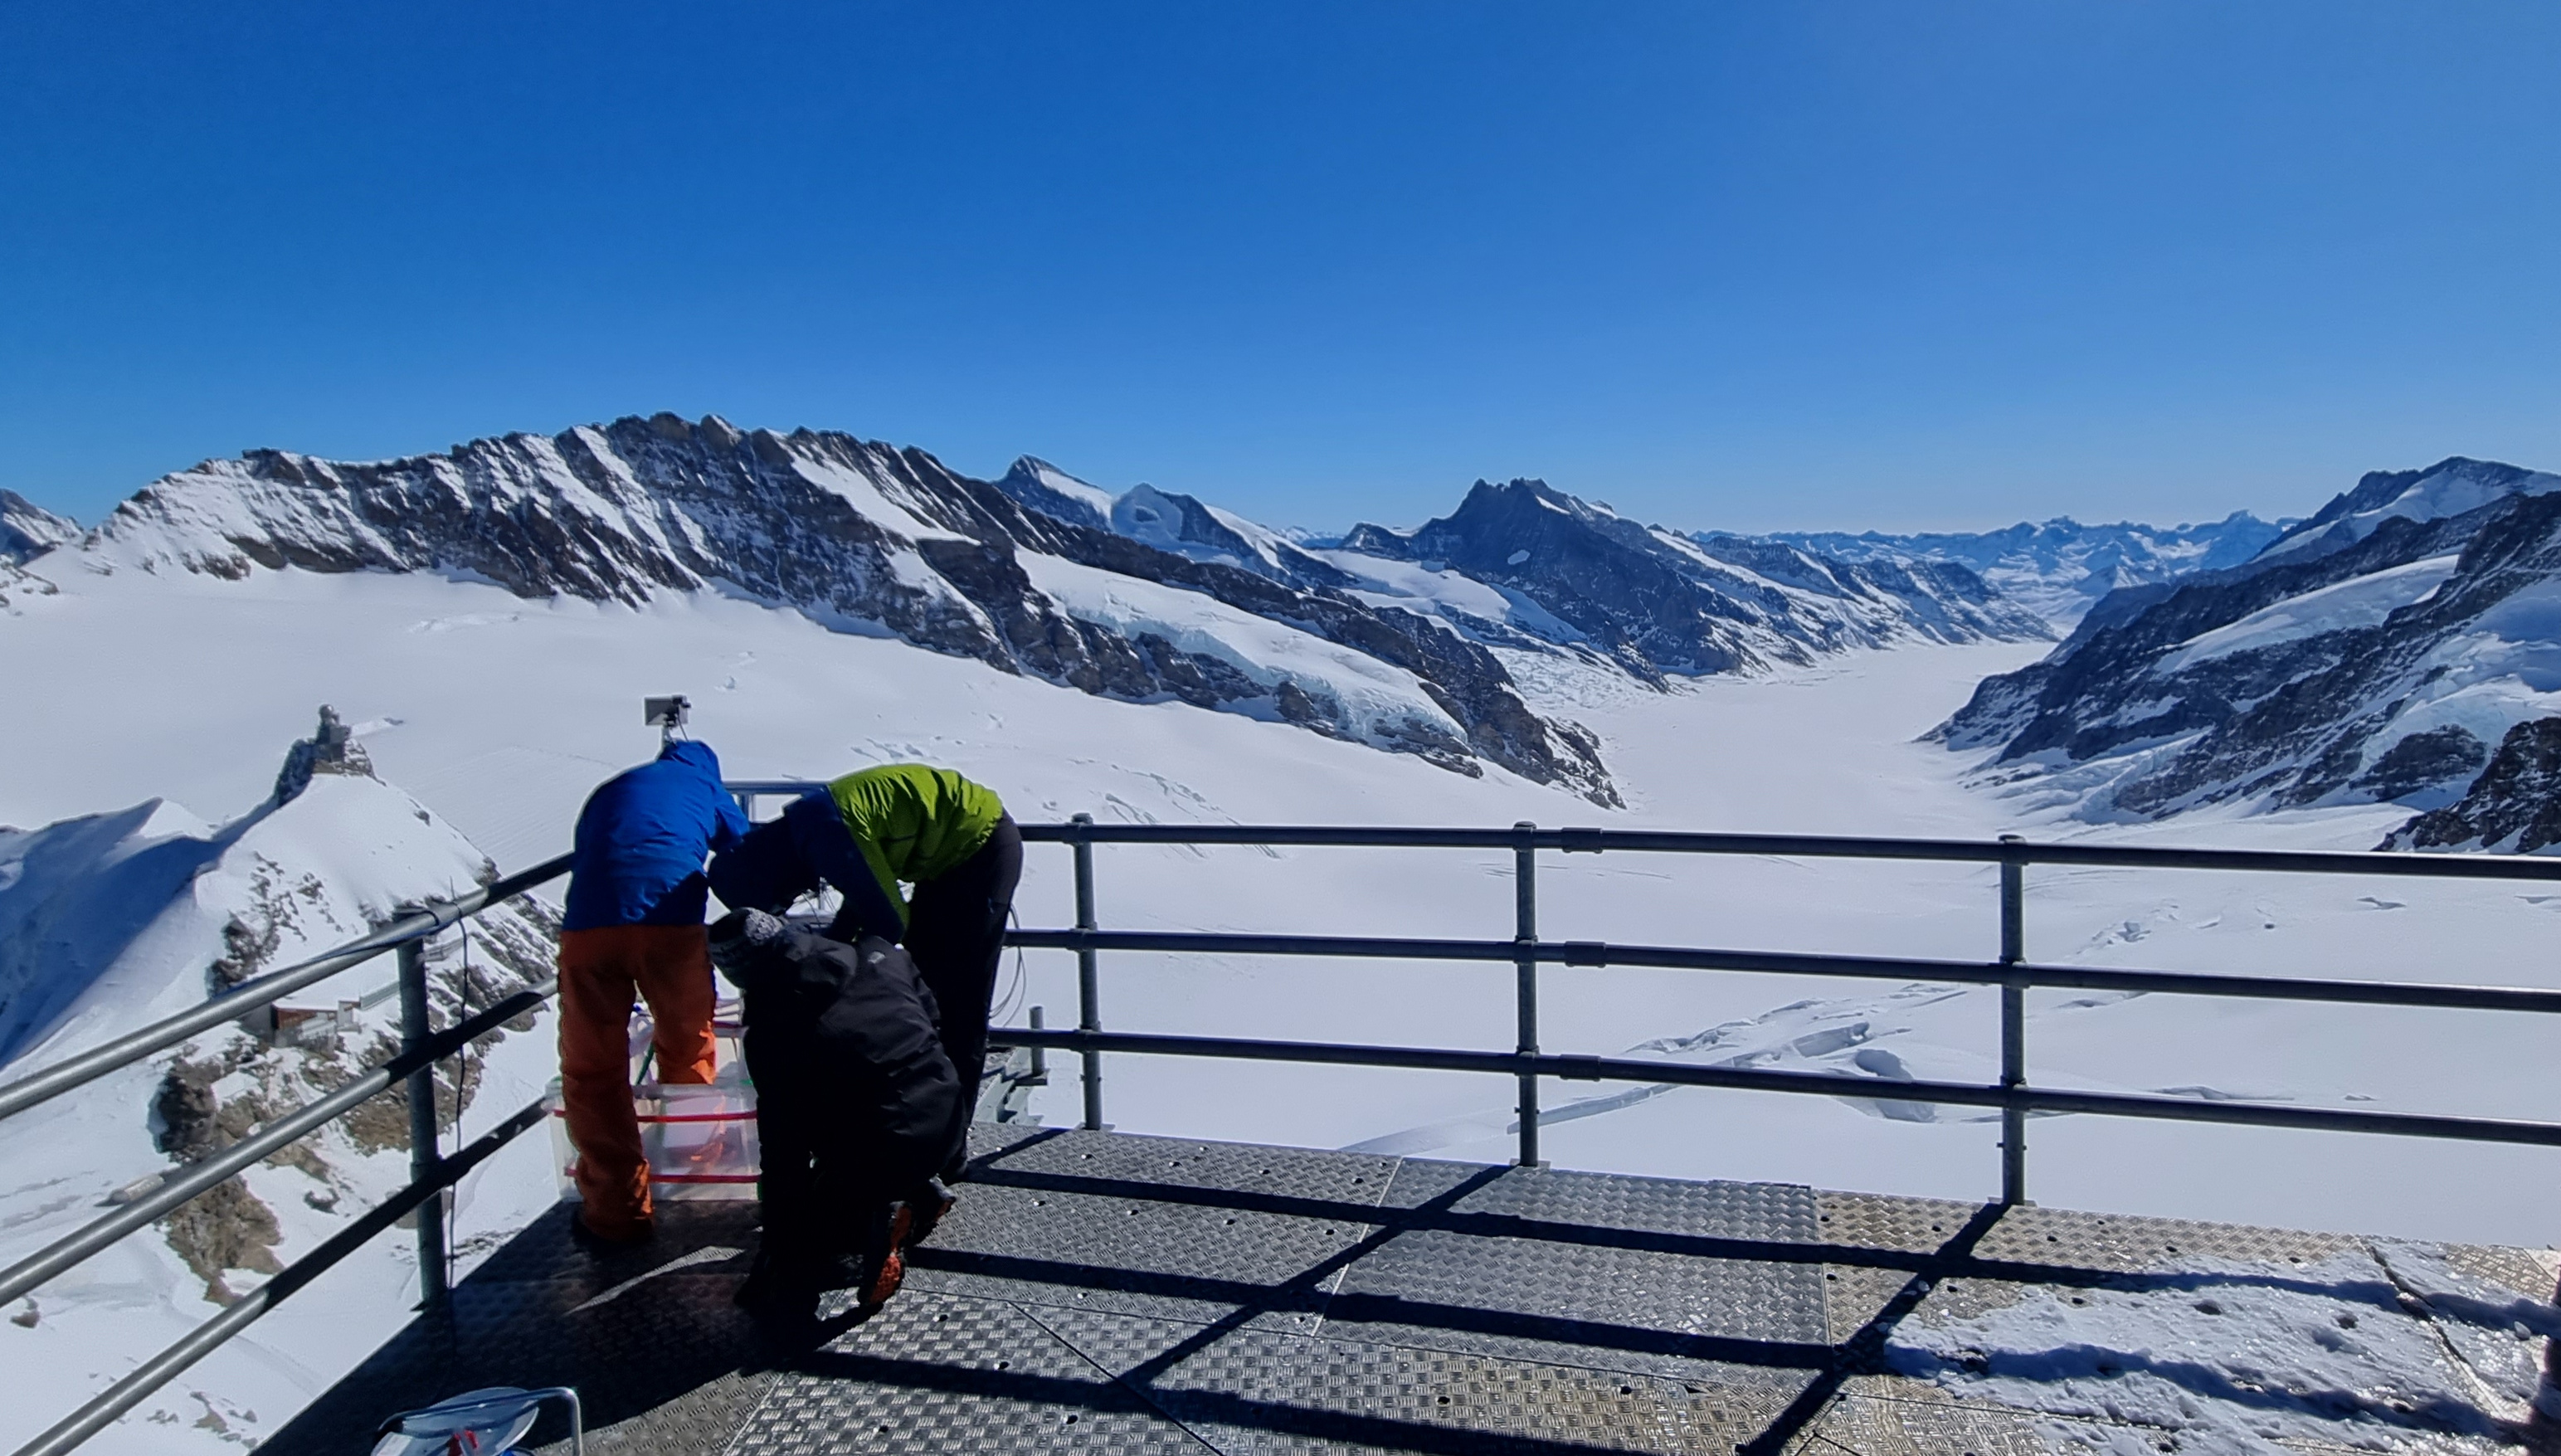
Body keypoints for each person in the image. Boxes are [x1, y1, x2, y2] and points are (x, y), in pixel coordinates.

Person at [707, 764, 1020, 1181]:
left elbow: (889, 922)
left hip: (979, 853)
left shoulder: (826, 837)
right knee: (924, 990)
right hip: (944, 859)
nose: (795, 898)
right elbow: (867, 894)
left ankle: (949, 1150)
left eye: (782, 897)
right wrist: (832, 956)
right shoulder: (805, 827)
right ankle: (927, 1130)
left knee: (958, 1006)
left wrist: (827, 971)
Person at [708, 908, 959, 1324]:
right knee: (875, 1098)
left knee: (813, 1219)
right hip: (948, 1117)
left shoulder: (775, 1035)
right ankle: (922, 1186)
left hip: (886, 1150)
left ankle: (877, 1220)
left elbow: (783, 1151)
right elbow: (931, 1018)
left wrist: (780, 1247)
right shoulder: (880, 954)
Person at [555, 738, 750, 1244]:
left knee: (592, 1070)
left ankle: (616, 1212)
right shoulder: (706, 787)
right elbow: (743, 853)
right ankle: (695, 1164)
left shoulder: (613, 786)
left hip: (589, 929)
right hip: (670, 924)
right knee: (688, 1040)